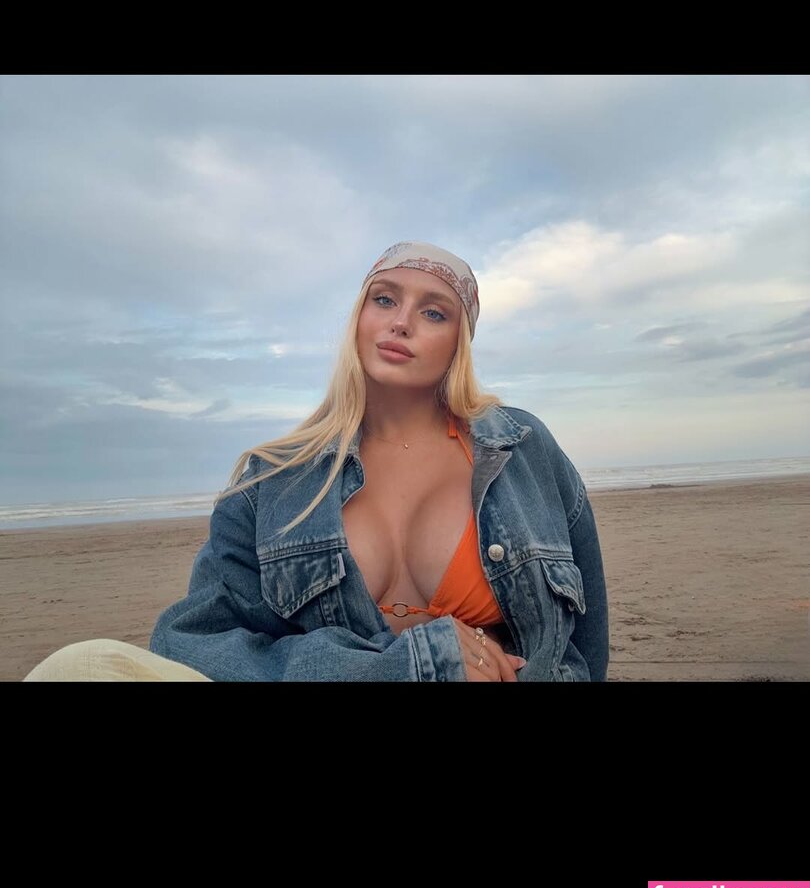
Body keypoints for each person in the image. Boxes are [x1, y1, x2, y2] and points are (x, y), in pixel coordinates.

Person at [24, 241, 609, 682]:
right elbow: (191, 642)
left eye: (434, 313)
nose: (401, 322)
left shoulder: (521, 449)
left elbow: (586, 644)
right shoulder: (275, 479)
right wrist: (403, 666)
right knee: (78, 667)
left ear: (460, 342)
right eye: (384, 299)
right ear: (359, 318)